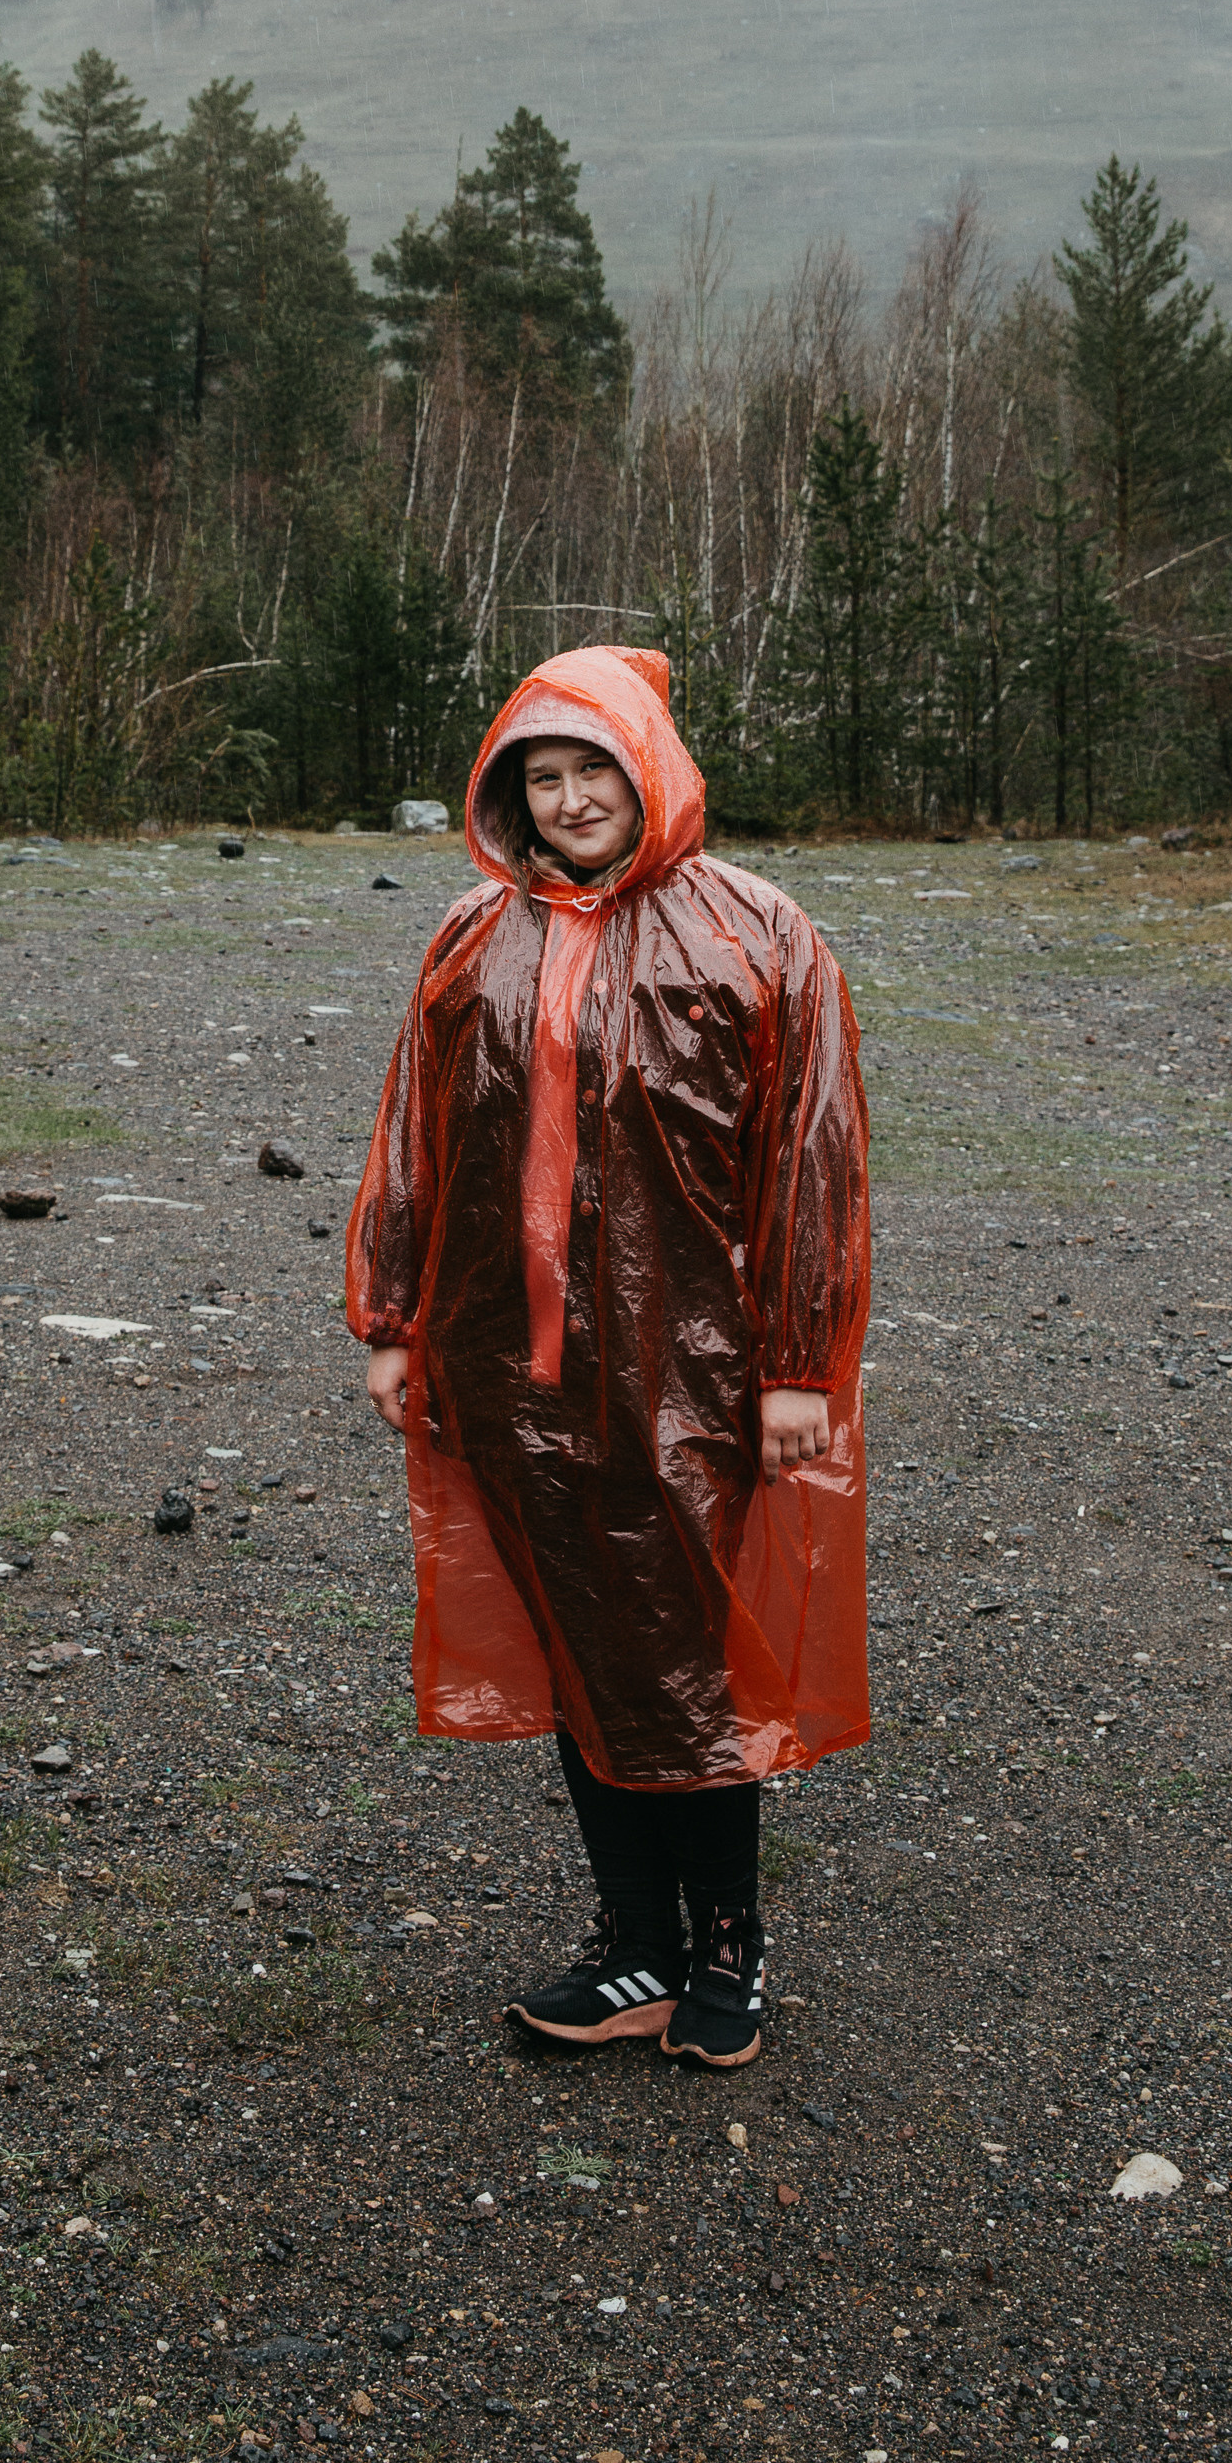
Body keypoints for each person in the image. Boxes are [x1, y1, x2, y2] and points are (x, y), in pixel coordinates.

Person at [345, 643, 869, 2069]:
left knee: (683, 1654)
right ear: (509, 792)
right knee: (582, 1642)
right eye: (543, 774)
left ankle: (727, 1951)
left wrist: (798, 1365)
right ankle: (633, 1939)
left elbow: (812, 1159)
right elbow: (417, 1137)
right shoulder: (469, 934)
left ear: (650, 770)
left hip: (694, 1365)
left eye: (593, 768)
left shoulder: (760, 934)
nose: (570, 798)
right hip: (504, 1358)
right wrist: (393, 1319)